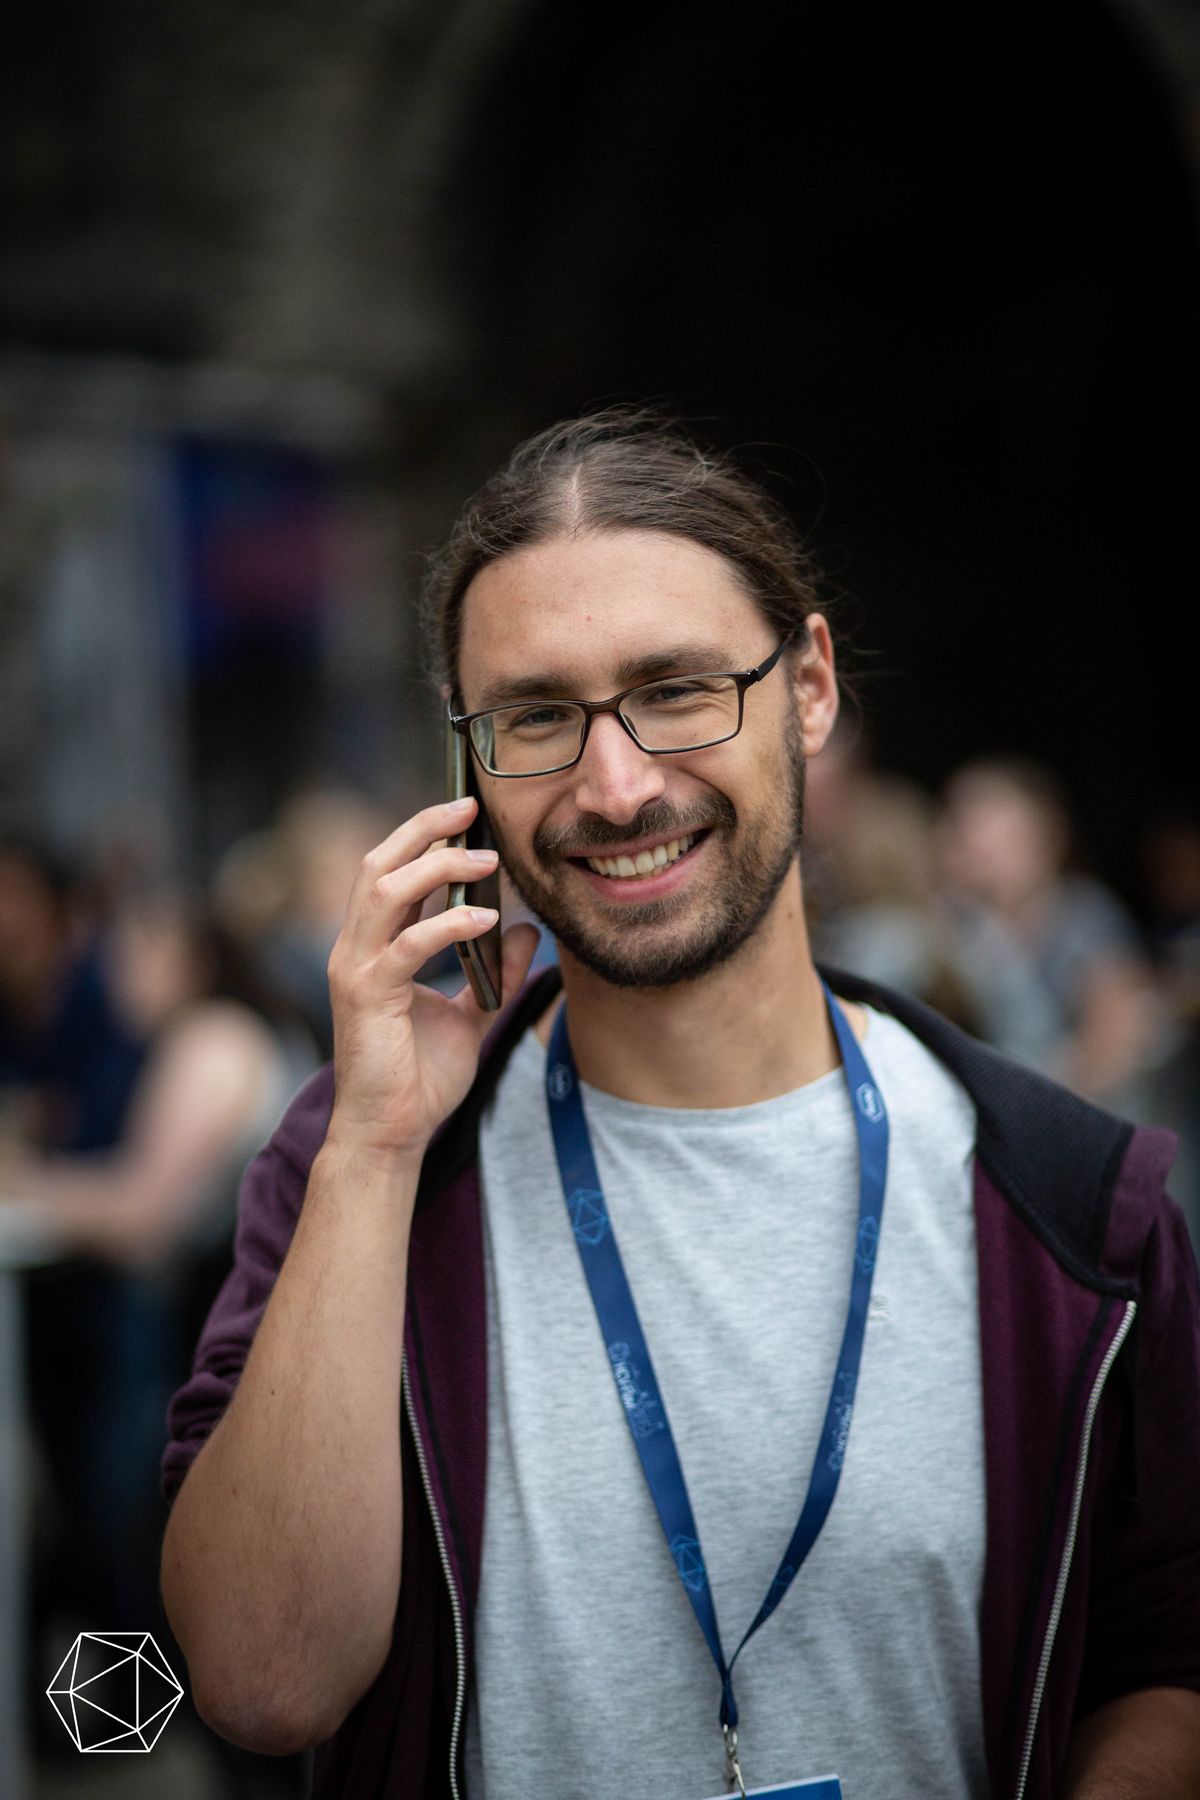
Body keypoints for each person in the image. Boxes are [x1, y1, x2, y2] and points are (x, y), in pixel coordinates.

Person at [160, 412, 1200, 1800]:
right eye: (538, 717)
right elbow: (260, 1679)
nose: (617, 786)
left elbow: (1164, 1654)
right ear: (470, 765)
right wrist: (374, 1146)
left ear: (809, 689)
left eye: (677, 690)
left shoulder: (1067, 1203)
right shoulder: (362, 1165)